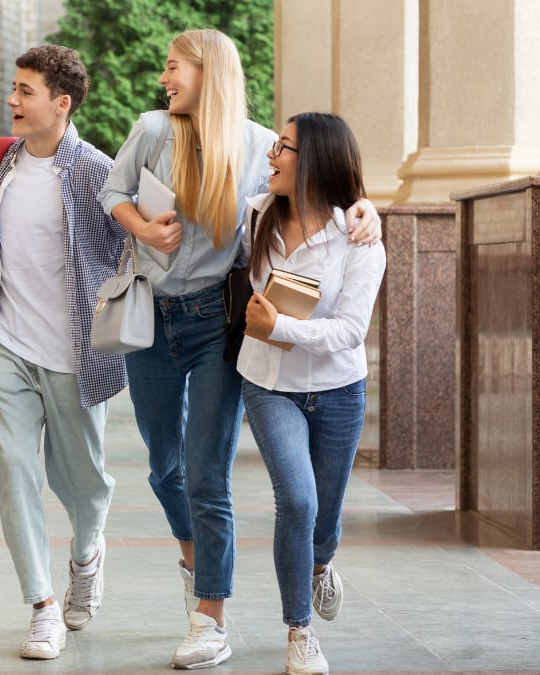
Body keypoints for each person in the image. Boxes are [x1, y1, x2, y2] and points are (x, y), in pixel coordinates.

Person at [96, 29, 381, 670]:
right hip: (150, 319)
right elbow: (111, 192)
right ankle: (194, 561)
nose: (164, 78)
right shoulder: (148, 130)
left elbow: (313, 193)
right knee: (164, 466)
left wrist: (366, 206)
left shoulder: (258, 148)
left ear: (208, 73)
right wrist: (143, 227)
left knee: (206, 472)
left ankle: (210, 615)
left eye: (174, 67)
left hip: (217, 323)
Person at [0, 45, 127, 661]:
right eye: (13, 88)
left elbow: (133, 245)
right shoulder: (5, 160)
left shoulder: (95, 169)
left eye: (25, 91)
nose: (12, 100)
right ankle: (41, 607)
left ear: (60, 104)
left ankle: (87, 551)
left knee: (82, 481)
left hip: (74, 352)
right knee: (15, 470)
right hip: (7, 343)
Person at [239, 112, 384, 675]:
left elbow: (350, 331)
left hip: (338, 390)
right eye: (275, 144)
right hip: (268, 384)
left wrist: (282, 329)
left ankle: (321, 564)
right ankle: (299, 631)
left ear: (317, 161)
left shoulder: (358, 238)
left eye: (285, 148)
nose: (272, 155)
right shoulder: (255, 216)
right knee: (297, 502)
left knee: (324, 519)